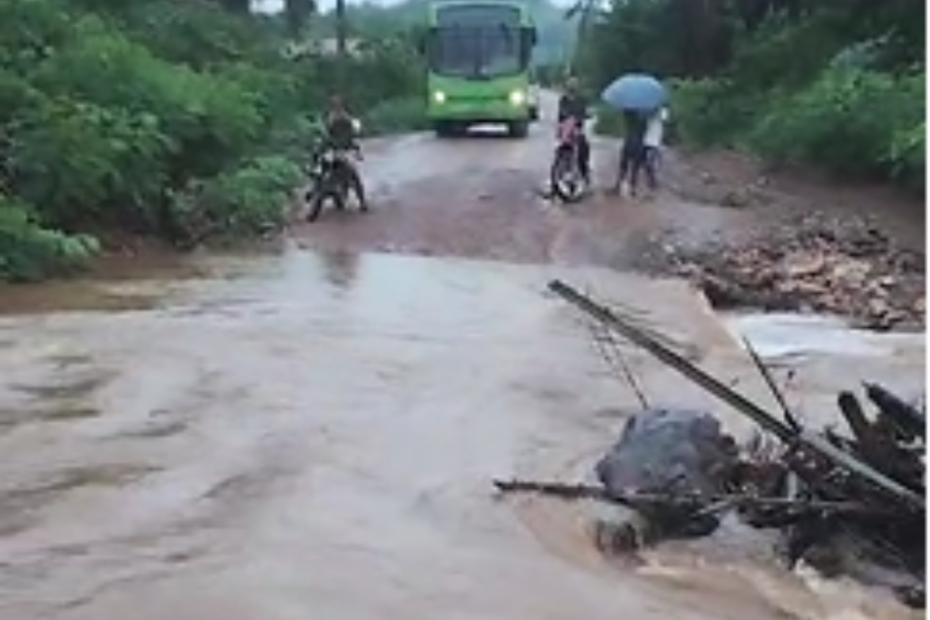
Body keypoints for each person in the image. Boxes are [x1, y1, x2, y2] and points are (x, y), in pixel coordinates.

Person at [320, 95, 367, 210]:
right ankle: (316, 187)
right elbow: (325, 135)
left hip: (344, 149)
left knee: (353, 174)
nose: (337, 107)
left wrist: (356, 150)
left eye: (338, 104)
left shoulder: (347, 118)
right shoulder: (330, 118)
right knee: (320, 165)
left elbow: (354, 135)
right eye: (334, 104)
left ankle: (362, 201)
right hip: (333, 149)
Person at [556, 77, 591, 182]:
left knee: (584, 148)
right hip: (566, 130)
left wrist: (585, 115)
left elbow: (586, 111)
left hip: (578, 129)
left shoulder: (582, 99)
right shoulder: (564, 99)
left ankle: (584, 172)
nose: (572, 87)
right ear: (567, 87)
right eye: (570, 85)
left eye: (574, 85)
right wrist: (567, 117)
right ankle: (559, 171)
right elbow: (561, 113)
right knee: (561, 149)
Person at [613, 109, 649, 198]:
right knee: (635, 168)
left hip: (629, 142)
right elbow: (644, 131)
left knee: (624, 165)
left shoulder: (628, 114)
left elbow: (626, 124)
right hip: (639, 144)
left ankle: (618, 185)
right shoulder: (644, 118)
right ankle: (632, 188)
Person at [643, 106, 669, 191]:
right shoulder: (646, 110)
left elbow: (665, 119)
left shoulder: (663, 111)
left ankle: (652, 181)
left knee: (650, 162)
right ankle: (650, 180)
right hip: (645, 139)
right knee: (645, 162)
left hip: (655, 141)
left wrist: (655, 112)